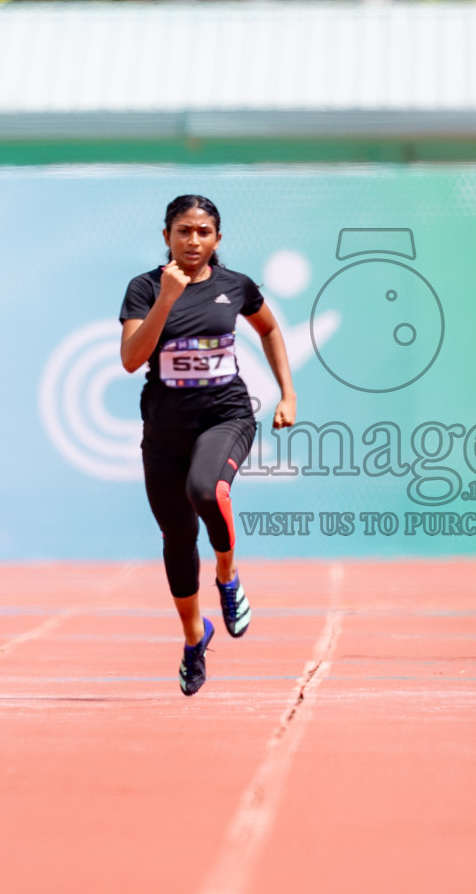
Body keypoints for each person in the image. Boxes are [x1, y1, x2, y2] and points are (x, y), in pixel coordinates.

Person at [119, 195, 296, 696]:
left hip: (227, 416)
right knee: (177, 539)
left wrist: (288, 392)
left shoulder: (235, 286)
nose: (192, 241)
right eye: (183, 231)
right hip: (163, 431)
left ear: (217, 239)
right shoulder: (145, 288)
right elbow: (132, 359)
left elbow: (270, 330)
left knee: (206, 490)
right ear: (166, 237)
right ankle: (195, 638)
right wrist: (167, 301)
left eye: (202, 232)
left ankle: (227, 574)